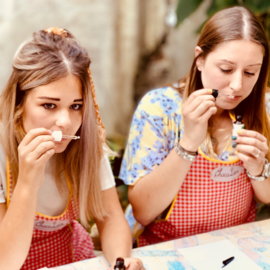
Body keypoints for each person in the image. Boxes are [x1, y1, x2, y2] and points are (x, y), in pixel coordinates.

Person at [119, 6, 270, 247]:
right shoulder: (159, 108)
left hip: (233, 249)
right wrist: (188, 143)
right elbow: (143, 211)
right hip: (162, 248)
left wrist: (258, 168)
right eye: (226, 69)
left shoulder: (265, 109)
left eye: (251, 72)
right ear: (199, 59)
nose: (237, 85)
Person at [0, 27, 144, 270]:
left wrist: (122, 261)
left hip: (70, 259)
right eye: (48, 105)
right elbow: (5, 261)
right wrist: (27, 181)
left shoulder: (86, 143)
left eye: (76, 106)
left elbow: (109, 219)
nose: (65, 122)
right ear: (20, 102)